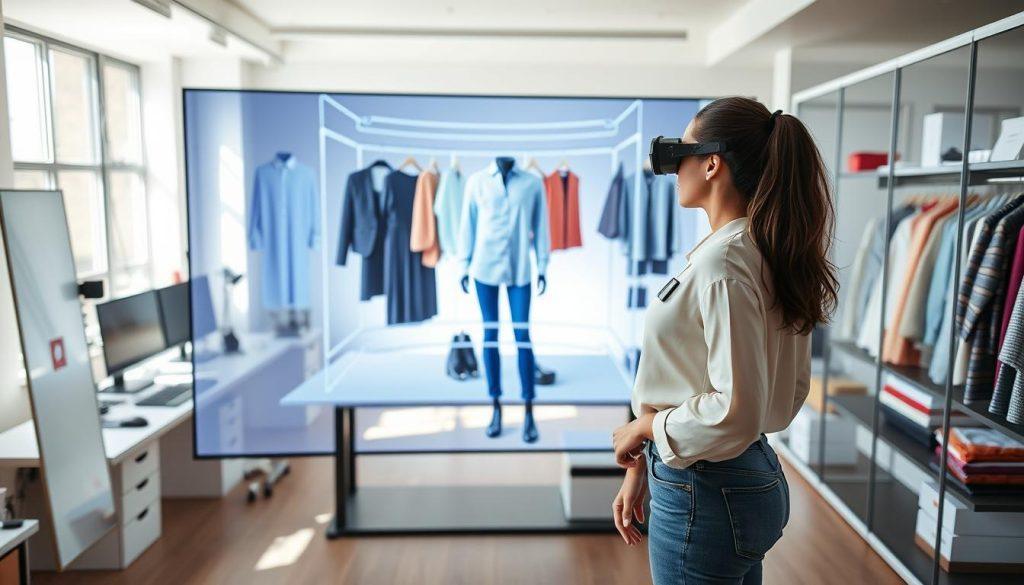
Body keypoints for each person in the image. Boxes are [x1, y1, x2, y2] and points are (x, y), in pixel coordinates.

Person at [610, 97, 839, 585]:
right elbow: (688, 374)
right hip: (733, 475)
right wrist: (642, 469)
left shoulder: (724, 265)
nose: (673, 170)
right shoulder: (756, 250)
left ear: (712, 164)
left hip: (706, 487)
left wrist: (646, 431)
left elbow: (733, 407)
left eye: (680, 154)